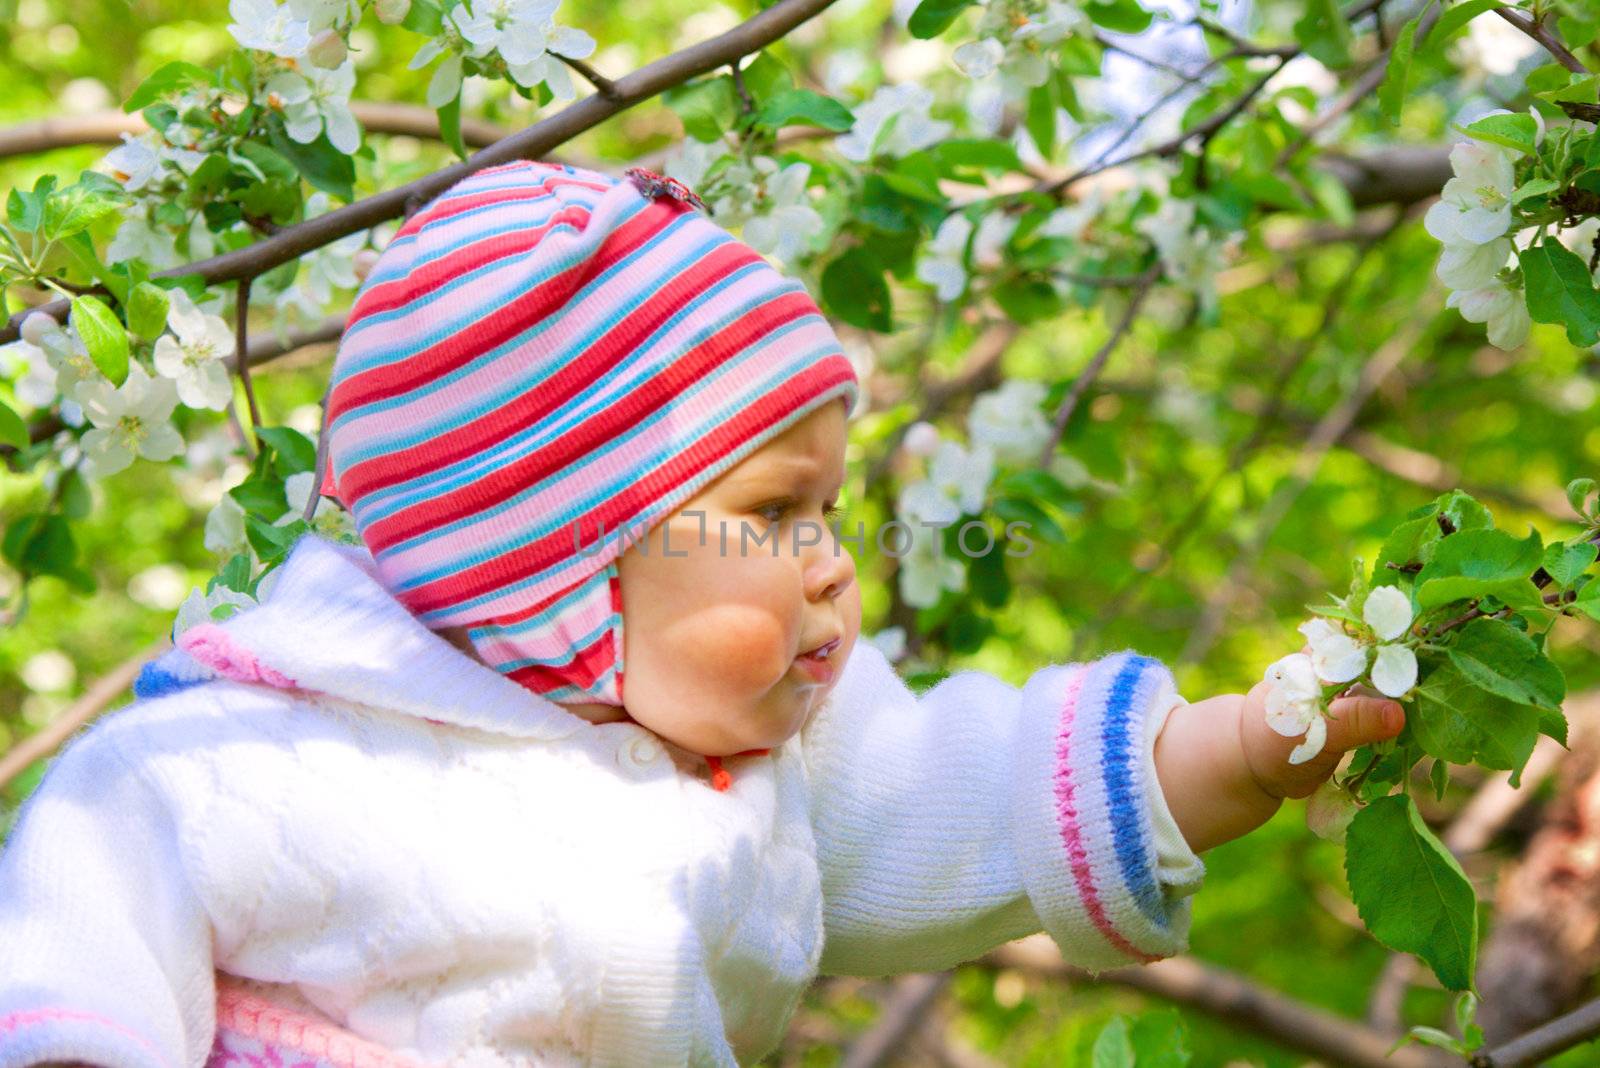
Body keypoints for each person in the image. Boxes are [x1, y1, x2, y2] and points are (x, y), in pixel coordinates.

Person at [0, 160, 1406, 1068]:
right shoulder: (249, 767)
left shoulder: (766, 769)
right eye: (776, 514)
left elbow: (959, 799)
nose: (831, 564)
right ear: (551, 560)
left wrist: (1226, 749)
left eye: (829, 515)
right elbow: (80, 932)